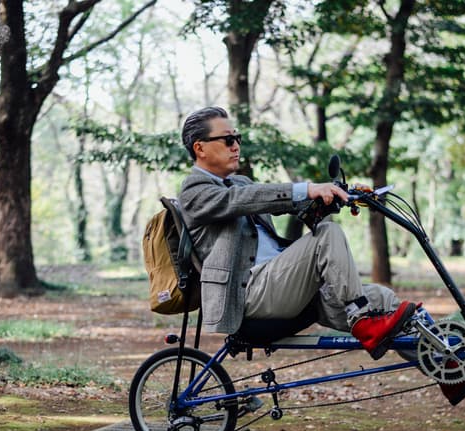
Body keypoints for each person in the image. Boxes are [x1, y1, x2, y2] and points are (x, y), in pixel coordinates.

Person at [177, 106, 416, 360]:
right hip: (249, 295)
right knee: (327, 233)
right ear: (199, 148)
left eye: (237, 138)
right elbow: (242, 200)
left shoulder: (240, 183)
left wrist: (327, 199)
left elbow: (275, 202)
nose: (235, 146)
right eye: (227, 140)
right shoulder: (194, 191)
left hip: (284, 286)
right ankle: (362, 319)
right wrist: (306, 189)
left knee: (385, 301)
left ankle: (451, 366)